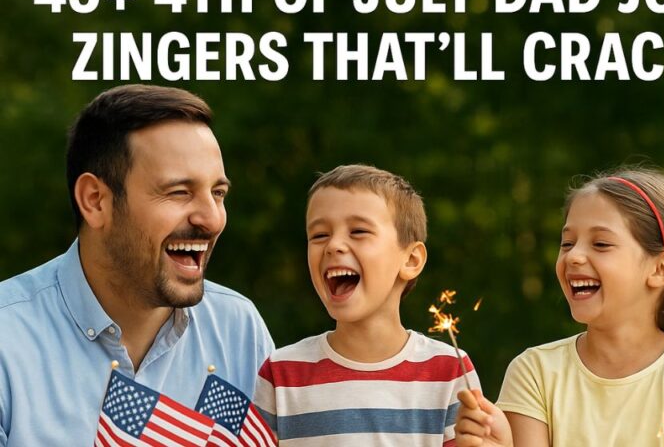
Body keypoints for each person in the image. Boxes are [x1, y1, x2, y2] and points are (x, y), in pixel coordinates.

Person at [0, 84, 274, 445]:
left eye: (218, 193)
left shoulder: (239, 329)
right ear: (96, 201)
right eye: (179, 192)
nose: (212, 218)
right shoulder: (8, 339)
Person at [455, 168, 664, 447]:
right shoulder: (533, 372)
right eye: (567, 243)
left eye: (601, 243)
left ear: (660, 268)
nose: (574, 256)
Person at [253, 164, 481, 445]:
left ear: (411, 260)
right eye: (319, 235)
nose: (333, 245)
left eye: (358, 231)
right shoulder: (281, 373)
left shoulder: (449, 370)